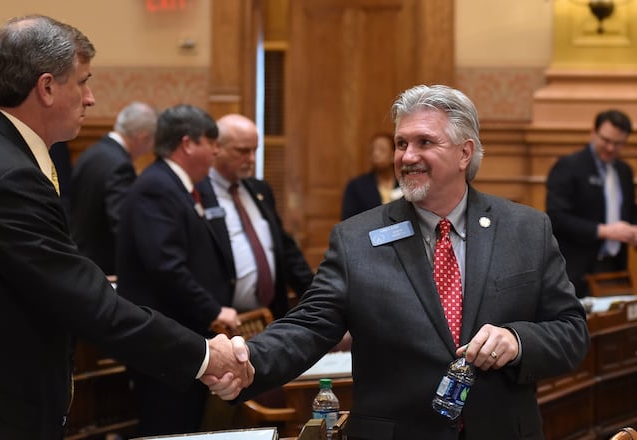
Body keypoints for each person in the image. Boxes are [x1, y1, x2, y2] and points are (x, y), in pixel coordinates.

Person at [0, 16, 251, 440]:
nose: (91, 98)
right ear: (46, 88)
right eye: (83, 82)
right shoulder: (8, 177)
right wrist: (205, 356)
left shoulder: (1, 156)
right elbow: (87, 302)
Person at [206, 84, 590, 440]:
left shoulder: (526, 230)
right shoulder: (357, 239)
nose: (407, 157)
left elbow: (572, 331)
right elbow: (308, 326)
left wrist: (518, 341)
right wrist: (248, 360)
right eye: (401, 143)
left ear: (464, 153)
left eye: (425, 142)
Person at [116, 104, 237, 436]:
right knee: (170, 428)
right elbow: (166, 266)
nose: (216, 151)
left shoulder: (178, 185)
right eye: (211, 142)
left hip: (182, 340)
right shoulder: (156, 187)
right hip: (164, 345)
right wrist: (214, 310)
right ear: (187, 144)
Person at [195, 114, 314, 319]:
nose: (251, 159)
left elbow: (285, 250)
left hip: (270, 316)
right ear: (217, 148)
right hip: (220, 321)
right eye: (242, 151)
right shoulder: (196, 193)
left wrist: (317, 297)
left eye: (254, 150)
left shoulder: (259, 189)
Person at [546, 109, 637, 298]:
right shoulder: (569, 166)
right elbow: (556, 217)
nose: (610, 148)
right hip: (576, 270)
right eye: (606, 140)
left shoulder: (624, 171)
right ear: (593, 132)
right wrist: (604, 231)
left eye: (618, 143)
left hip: (614, 269)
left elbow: (627, 212)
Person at [70, 101, 157, 276]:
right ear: (143, 137)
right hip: (103, 268)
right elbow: (122, 222)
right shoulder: (120, 166)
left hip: (78, 255)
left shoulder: (90, 152)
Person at [341, 133, 402, 220]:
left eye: (381, 150)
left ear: (393, 155)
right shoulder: (356, 186)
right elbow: (348, 220)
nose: (375, 153)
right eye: (372, 150)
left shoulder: (403, 182)